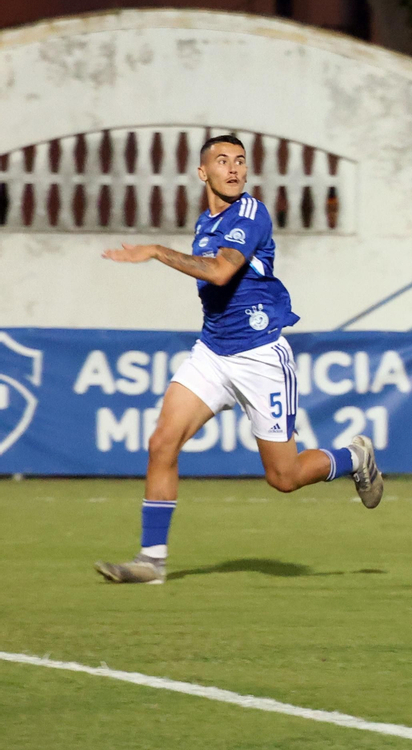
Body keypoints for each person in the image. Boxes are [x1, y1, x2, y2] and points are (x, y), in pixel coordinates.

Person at [94, 135, 382, 585]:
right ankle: (151, 561)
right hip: (212, 352)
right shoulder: (206, 221)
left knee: (284, 477)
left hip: (259, 356)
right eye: (222, 161)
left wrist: (154, 251)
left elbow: (222, 270)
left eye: (241, 161)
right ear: (202, 172)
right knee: (161, 443)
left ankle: (353, 457)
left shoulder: (250, 213)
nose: (234, 169)